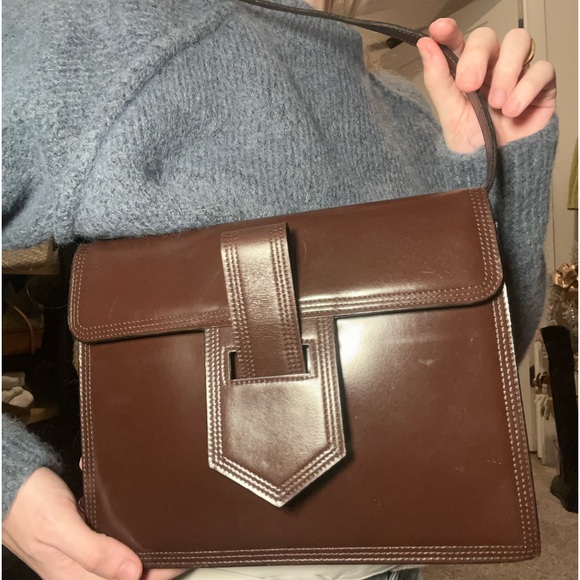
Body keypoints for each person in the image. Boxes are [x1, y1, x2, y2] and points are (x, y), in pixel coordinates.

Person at [2, 0, 558, 578]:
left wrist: (507, 158)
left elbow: (472, 379)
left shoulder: (415, 109)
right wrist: (9, 487)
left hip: (397, 556)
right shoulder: (95, 26)